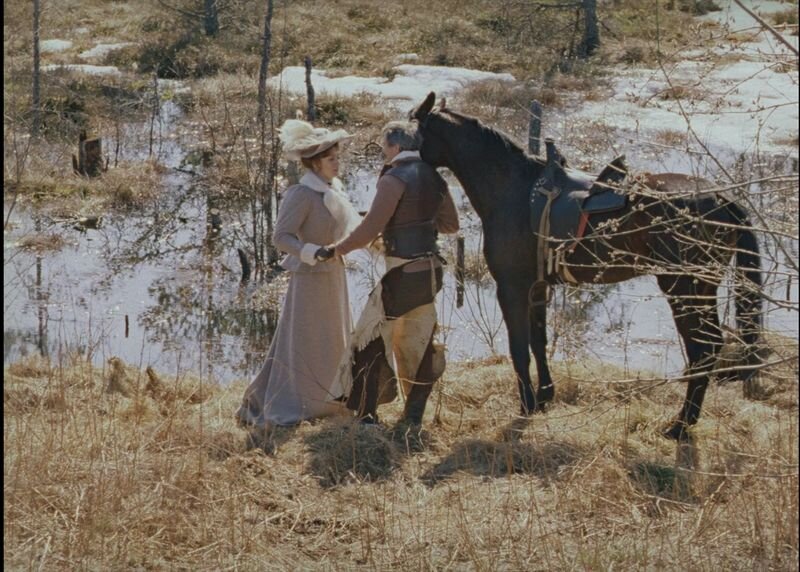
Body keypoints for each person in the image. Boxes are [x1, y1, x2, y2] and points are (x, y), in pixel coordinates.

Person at [322, 120, 460, 425]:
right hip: (431, 272)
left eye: (385, 146)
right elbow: (451, 225)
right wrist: (417, 221)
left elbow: (370, 228)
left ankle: (368, 416)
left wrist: (337, 249)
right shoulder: (435, 178)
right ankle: (412, 416)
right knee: (418, 339)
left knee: (369, 339)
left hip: (403, 272)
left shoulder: (393, 178)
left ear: (396, 147)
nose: (383, 152)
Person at [235, 118, 361, 446]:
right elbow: (281, 237)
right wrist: (311, 252)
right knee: (308, 338)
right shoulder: (302, 194)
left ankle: (334, 396)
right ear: (316, 163)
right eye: (332, 158)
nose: (337, 163)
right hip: (310, 277)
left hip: (334, 275)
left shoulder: (333, 192)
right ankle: (304, 399)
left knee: (334, 335)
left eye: (337, 157)